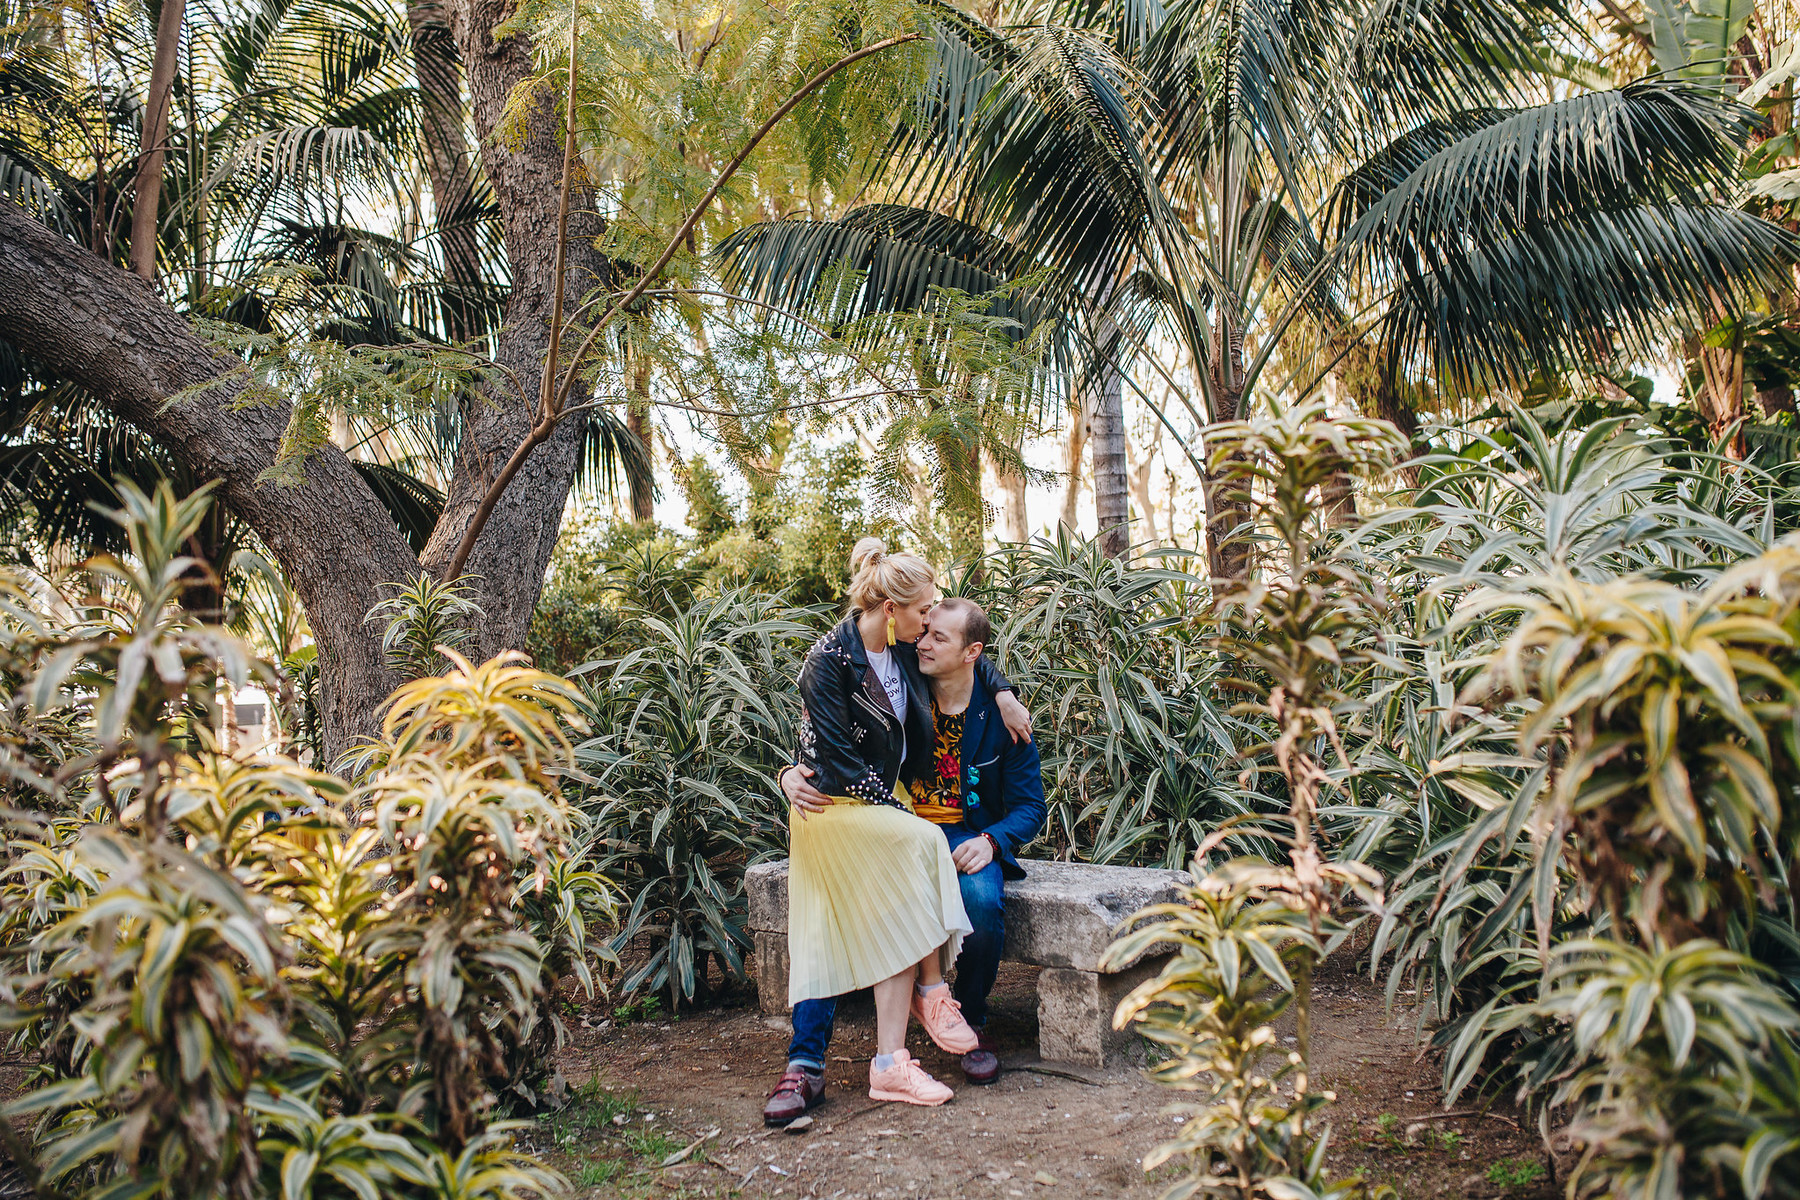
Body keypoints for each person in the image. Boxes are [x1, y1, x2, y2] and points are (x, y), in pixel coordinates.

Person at [764, 541, 1033, 1123]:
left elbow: (970, 649)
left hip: (887, 807)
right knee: (837, 915)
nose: (928, 624)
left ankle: (895, 1053)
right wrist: (788, 774)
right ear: (891, 609)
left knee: (901, 901)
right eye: (922, 613)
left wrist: (1006, 691)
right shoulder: (828, 660)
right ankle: (809, 1059)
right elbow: (831, 756)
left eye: (933, 617)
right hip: (833, 808)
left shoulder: (907, 651)